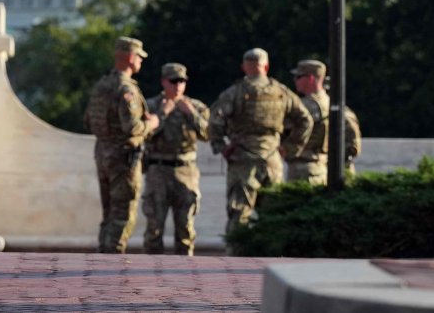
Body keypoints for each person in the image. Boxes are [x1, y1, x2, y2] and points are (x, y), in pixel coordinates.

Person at [209, 48, 312, 233]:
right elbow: (305, 120)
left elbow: (215, 119)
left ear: (244, 67)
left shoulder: (235, 92)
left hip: (243, 158)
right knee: (273, 213)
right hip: (272, 158)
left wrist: (221, 147)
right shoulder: (281, 91)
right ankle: (270, 254)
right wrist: (289, 147)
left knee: (239, 211)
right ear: (266, 66)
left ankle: (236, 256)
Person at [82, 36, 158, 253]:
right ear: (131, 57)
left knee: (109, 214)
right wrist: (151, 124)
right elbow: (132, 128)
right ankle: (111, 262)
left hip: (103, 154)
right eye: (139, 58)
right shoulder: (126, 89)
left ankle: (103, 254)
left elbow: (88, 120)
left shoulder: (102, 85)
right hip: (123, 159)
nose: (141, 62)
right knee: (122, 215)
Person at [142, 62, 209, 255]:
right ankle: (151, 273)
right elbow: (144, 134)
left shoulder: (195, 106)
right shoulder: (152, 105)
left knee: (185, 229)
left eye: (182, 81)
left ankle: (184, 275)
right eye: (173, 81)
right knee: (154, 229)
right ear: (164, 82)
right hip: (158, 171)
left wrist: (191, 114)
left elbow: (208, 133)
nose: (178, 85)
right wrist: (163, 114)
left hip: (185, 171)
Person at [285, 59, 361, 184]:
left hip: (304, 169)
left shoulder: (304, 106)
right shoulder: (339, 107)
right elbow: (353, 145)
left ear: (310, 78)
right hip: (324, 169)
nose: (295, 80)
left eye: (298, 77)